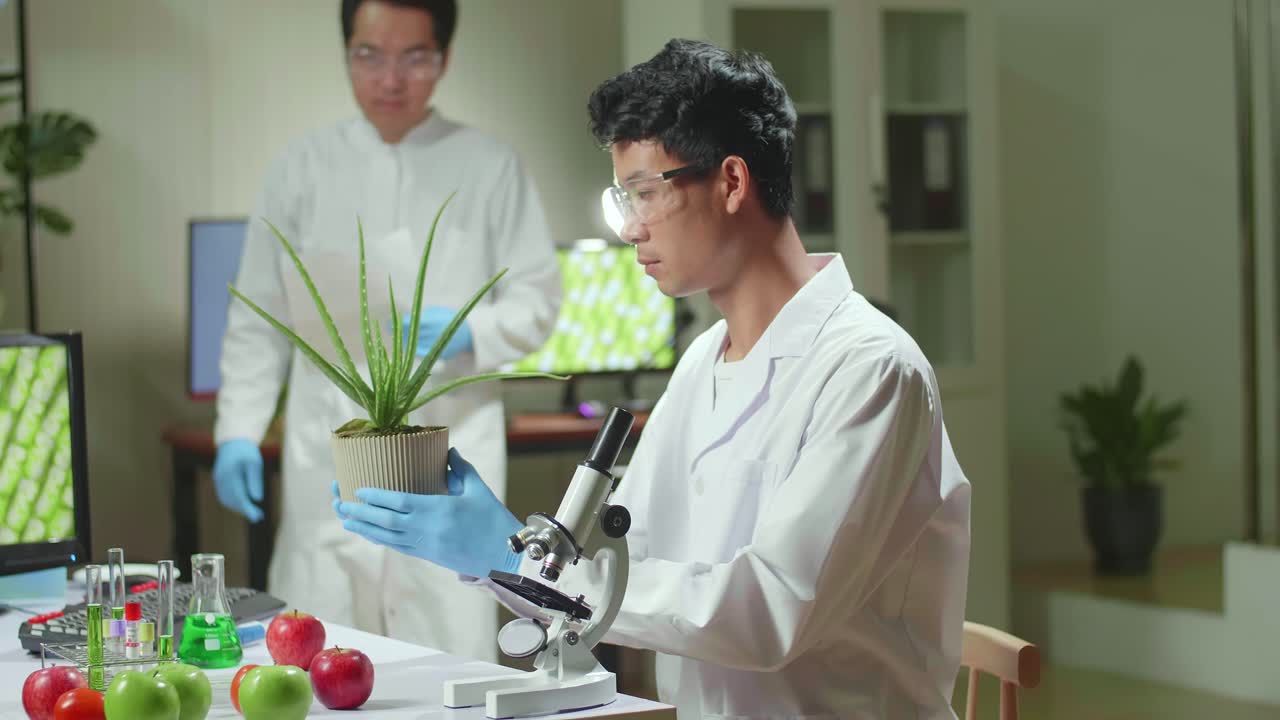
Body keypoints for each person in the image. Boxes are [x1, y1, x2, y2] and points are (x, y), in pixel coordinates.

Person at [336, 39, 970, 719]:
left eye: (645, 194)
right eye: (624, 200)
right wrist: (499, 552)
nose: (631, 230)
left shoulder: (871, 370)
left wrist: (505, 553)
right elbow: (617, 570)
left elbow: (767, 613)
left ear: (732, 182)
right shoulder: (704, 361)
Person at [214, 0, 559, 661]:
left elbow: (538, 299)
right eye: (369, 56)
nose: (390, 79)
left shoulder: (490, 166)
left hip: (446, 444)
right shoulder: (302, 166)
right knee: (319, 652)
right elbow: (259, 313)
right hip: (328, 448)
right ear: (347, 52)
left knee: (447, 652)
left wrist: (472, 330)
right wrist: (237, 430)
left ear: (445, 58)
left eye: (414, 58)